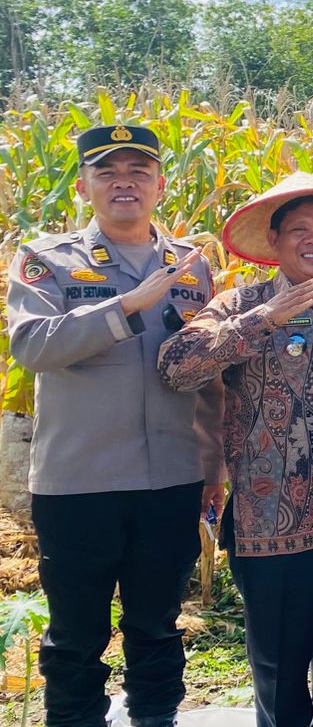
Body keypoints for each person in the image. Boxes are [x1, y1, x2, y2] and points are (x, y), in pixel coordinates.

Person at [157, 173, 313, 727]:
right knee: (281, 676)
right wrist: (266, 320)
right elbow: (175, 367)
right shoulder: (242, 303)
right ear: (274, 240)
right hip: (271, 528)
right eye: (299, 229)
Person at [5, 125, 224, 727]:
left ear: (160, 185)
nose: (124, 182)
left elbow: (205, 375)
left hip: (171, 478)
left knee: (157, 622)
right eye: (107, 172)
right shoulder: (47, 260)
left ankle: (156, 716)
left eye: (138, 171)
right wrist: (126, 305)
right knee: (77, 630)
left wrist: (213, 467)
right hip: (80, 481)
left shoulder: (192, 267)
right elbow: (32, 346)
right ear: (83, 187)